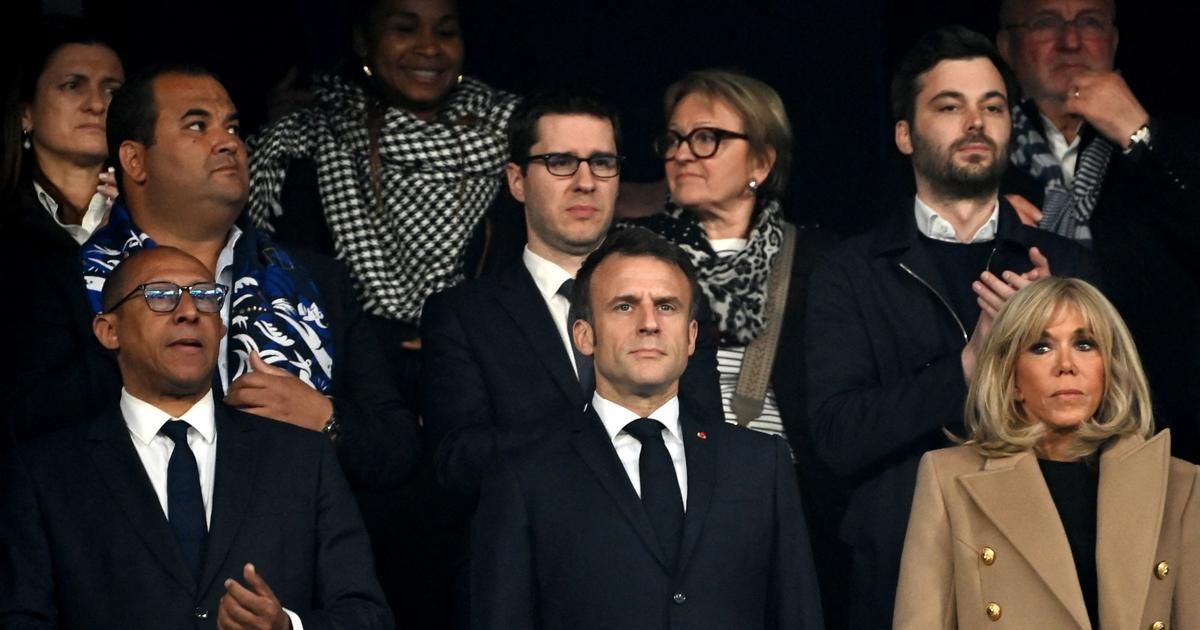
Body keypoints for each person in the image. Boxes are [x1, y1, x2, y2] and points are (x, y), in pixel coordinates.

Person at [804, 26, 1098, 628]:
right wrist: (969, 365)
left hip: (1041, 564)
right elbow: (838, 438)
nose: (975, 122)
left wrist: (1048, 345)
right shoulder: (851, 271)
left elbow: (1112, 424)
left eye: (992, 106)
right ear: (904, 134)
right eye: (949, 105)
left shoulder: (1063, 267)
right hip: (905, 565)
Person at [23, 64, 418, 494]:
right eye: (197, 125)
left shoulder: (319, 279)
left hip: (299, 545)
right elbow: (36, 444)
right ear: (135, 160)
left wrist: (327, 419)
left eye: (232, 127)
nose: (228, 142)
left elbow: (398, 449)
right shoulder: (64, 285)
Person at [0, 246, 392, 628]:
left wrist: (287, 627)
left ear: (221, 328)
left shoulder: (303, 459)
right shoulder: (46, 474)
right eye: (160, 295)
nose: (189, 311)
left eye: (206, 298)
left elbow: (367, 614)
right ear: (108, 331)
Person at [470, 227, 824, 630]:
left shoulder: (762, 464)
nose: (649, 323)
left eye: (667, 306)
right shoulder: (525, 475)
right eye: (624, 306)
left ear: (691, 337)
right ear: (584, 335)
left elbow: (798, 614)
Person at [622, 67, 845, 623]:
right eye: (674, 139)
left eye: (708, 138)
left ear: (762, 163)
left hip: (789, 507)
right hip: (667, 503)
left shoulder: (824, 262)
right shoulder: (634, 259)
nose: (683, 154)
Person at [422, 89, 720, 497]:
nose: (585, 182)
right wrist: (599, 432)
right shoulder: (465, 315)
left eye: (602, 163)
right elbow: (458, 460)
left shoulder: (676, 299)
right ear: (517, 180)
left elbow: (707, 439)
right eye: (560, 162)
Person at [247, 0, 521, 393]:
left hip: (481, 375)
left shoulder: (515, 134)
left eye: (445, 31)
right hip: (354, 386)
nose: (429, 48)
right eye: (405, 29)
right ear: (364, 40)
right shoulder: (309, 143)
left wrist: (463, 333)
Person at [894, 277, 1199, 629]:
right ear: (1011, 378)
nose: (1066, 365)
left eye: (1085, 344)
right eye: (1041, 347)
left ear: (1110, 367)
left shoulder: (1178, 483)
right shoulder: (948, 478)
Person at [996, 0, 1200, 463]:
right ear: (1007, 45)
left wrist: (1140, 134)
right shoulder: (979, 158)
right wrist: (981, 213)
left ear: (1114, 39)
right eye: (1046, 23)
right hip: (1025, 439)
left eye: (1088, 21)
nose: (1071, 41)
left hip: (1167, 432)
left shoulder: (1173, 147)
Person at [0, 16, 122, 448]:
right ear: (26, 113)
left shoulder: (157, 225)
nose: (97, 103)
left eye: (113, 90)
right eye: (73, 85)